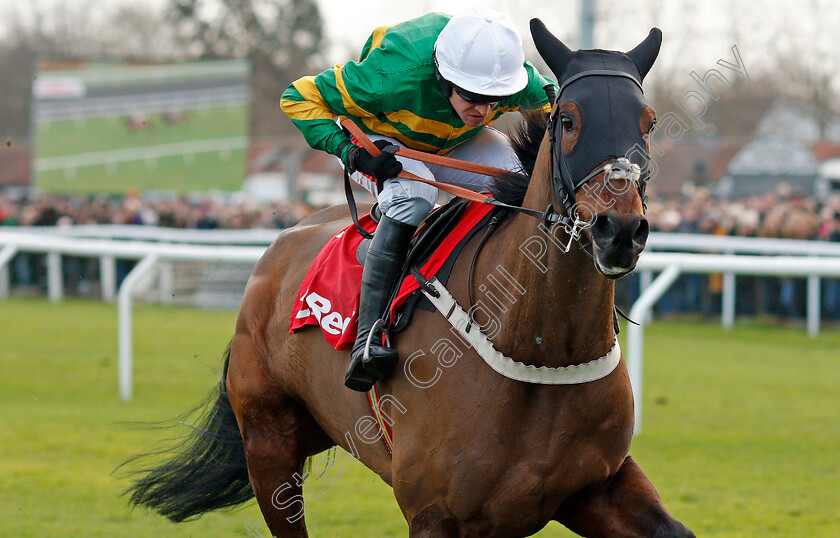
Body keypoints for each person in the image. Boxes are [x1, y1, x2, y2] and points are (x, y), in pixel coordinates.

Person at [281, 7, 555, 392]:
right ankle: (367, 337)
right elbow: (297, 96)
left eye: (494, 100)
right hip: (386, 143)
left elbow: (557, 104)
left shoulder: (514, 80)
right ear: (444, 78)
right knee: (417, 194)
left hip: (456, 142)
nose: (483, 110)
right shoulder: (389, 77)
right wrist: (350, 152)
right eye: (473, 98)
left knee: (522, 185)